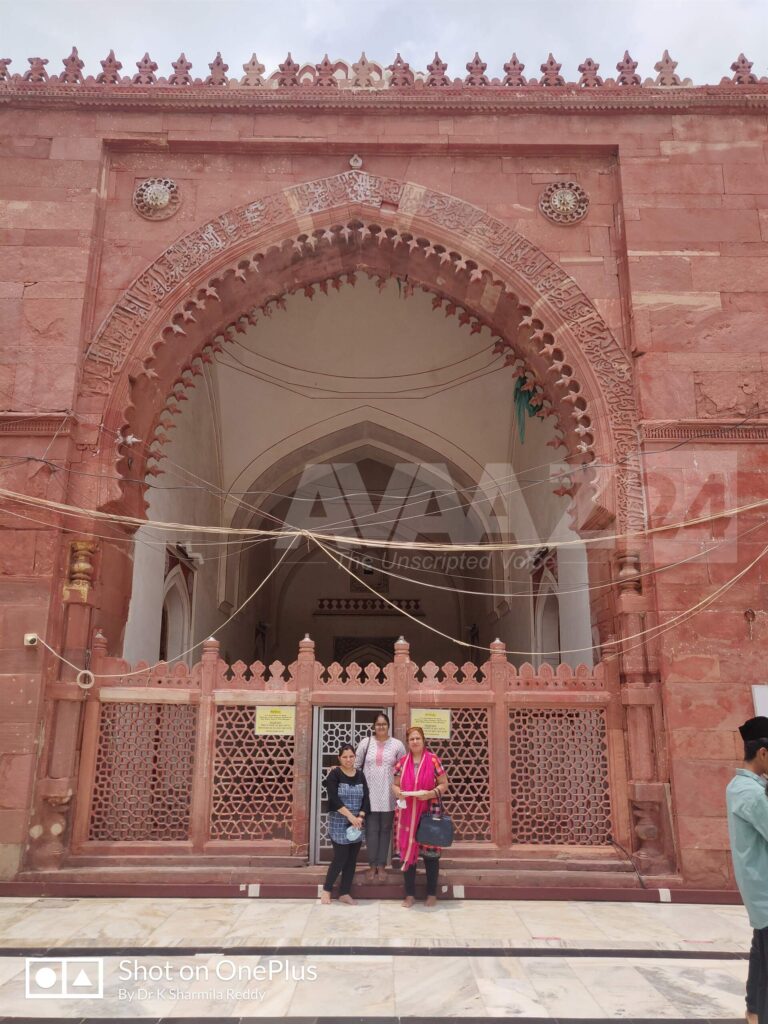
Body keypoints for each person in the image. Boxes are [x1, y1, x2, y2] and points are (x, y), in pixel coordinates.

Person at [725, 716, 768, 1024]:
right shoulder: (751, 793)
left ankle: (753, 1011)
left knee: (760, 951)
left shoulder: (743, 786)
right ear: (763, 753)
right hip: (764, 886)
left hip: (759, 885)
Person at [392, 725, 448, 908]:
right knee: (408, 855)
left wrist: (430, 793)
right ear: (408, 743)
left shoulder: (433, 760)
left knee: (431, 855)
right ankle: (409, 895)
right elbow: (395, 785)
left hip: (429, 812)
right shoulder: (402, 761)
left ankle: (432, 894)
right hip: (407, 813)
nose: (415, 742)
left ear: (423, 740)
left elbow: (443, 784)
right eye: (411, 739)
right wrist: (399, 792)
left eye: (417, 738)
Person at [355, 712, 406, 882]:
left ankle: (382, 866)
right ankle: (372, 865)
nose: (381, 727)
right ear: (373, 726)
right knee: (371, 831)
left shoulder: (397, 745)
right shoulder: (365, 743)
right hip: (369, 795)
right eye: (378, 724)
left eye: (384, 724)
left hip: (389, 795)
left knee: (385, 831)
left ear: (388, 726)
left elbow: (402, 769)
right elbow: (355, 766)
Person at [321, 743, 370, 906]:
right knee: (340, 857)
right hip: (340, 821)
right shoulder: (334, 774)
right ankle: (327, 890)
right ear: (339, 758)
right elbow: (334, 799)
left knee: (351, 859)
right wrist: (351, 817)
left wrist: (361, 816)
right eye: (345, 757)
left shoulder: (360, 775)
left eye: (351, 756)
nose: (348, 760)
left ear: (355, 757)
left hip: (357, 823)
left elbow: (366, 798)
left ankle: (344, 893)